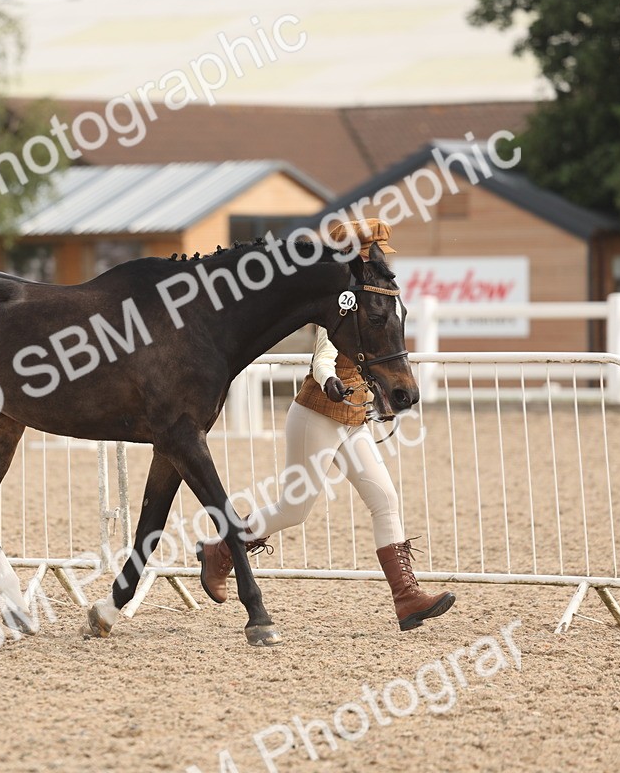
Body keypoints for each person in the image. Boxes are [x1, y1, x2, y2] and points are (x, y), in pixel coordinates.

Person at [195, 218, 455, 631]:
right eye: (371, 253)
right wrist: (330, 379)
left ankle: (407, 598)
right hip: (317, 416)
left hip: (352, 421)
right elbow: (324, 353)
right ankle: (220, 551)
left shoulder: (373, 297)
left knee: (385, 499)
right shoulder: (343, 302)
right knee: (293, 510)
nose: (379, 260)